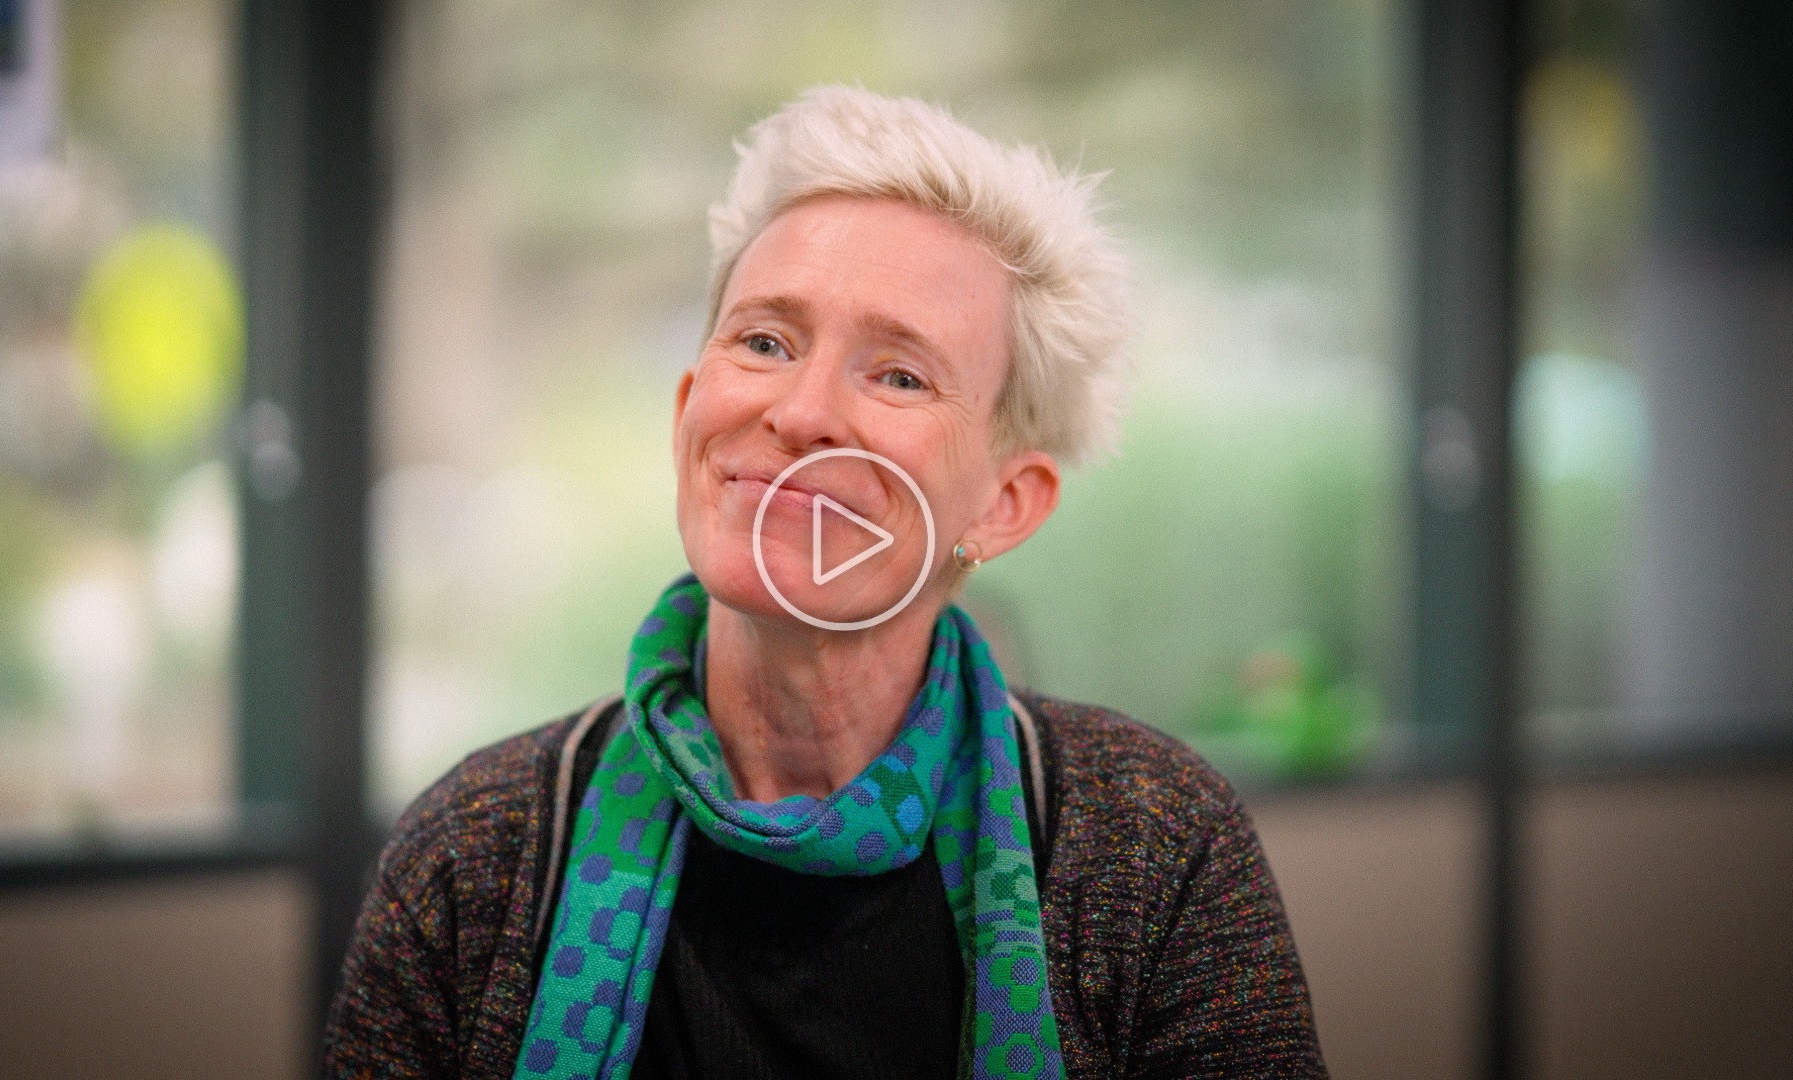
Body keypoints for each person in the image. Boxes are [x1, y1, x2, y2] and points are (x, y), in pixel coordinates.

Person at [325, 86, 1325, 1080]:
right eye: (765, 342)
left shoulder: (1155, 849)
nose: (801, 414)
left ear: (1003, 504)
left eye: (899, 375)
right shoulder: (475, 854)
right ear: (688, 414)